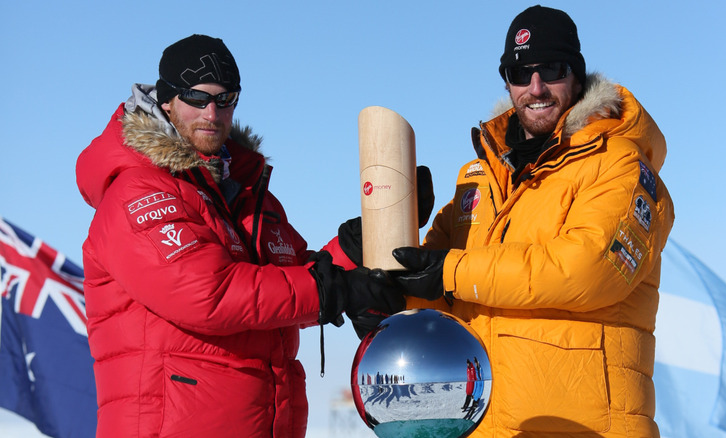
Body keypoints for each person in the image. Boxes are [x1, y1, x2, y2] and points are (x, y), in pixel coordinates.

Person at [75, 34, 411, 438]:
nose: (212, 113)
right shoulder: (139, 190)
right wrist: (331, 291)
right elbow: (208, 294)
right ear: (166, 100)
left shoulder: (244, 188)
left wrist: (358, 244)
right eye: (197, 98)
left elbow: (291, 276)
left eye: (226, 99)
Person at [390, 6, 675, 437]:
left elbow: (589, 267)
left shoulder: (620, 164)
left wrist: (451, 271)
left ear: (577, 77)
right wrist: (382, 275)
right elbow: (438, 291)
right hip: (490, 425)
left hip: (587, 427)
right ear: (507, 81)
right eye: (521, 73)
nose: (535, 87)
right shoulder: (481, 177)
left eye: (551, 70)